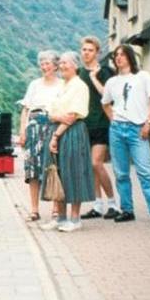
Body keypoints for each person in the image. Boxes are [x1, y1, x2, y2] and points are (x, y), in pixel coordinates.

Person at [101, 44, 150, 225]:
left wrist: (149, 122)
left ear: (130, 57)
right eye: (116, 55)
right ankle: (127, 210)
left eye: (122, 54)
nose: (118, 58)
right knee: (121, 173)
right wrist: (113, 119)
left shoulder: (143, 77)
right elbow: (105, 103)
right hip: (117, 129)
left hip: (137, 129)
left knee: (146, 172)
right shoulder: (111, 82)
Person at [40, 51, 94, 232]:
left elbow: (71, 116)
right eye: (60, 63)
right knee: (58, 172)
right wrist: (57, 120)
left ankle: (75, 219)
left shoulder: (79, 86)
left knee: (74, 171)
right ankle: (60, 217)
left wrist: (56, 135)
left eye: (66, 63)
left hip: (72, 132)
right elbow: (51, 113)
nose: (62, 66)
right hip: (58, 130)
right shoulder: (63, 85)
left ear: (75, 66)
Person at [77, 36, 118, 220]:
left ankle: (112, 203)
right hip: (84, 125)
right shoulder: (78, 73)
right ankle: (97, 205)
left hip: (102, 123)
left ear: (97, 52)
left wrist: (94, 77)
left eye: (90, 50)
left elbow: (108, 95)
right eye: (84, 49)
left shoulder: (105, 71)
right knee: (91, 167)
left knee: (96, 163)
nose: (86, 53)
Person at [19, 50, 63, 222]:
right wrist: (22, 130)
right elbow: (25, 108)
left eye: (48, 64)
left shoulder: (62, 84)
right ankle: (34, 209)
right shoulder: (35, 84)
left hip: (53, 125)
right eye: (42, 64)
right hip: (34, 127)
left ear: (55, 66)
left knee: (53, 166)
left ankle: (55, 208)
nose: (45, 67)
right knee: (32, 169)